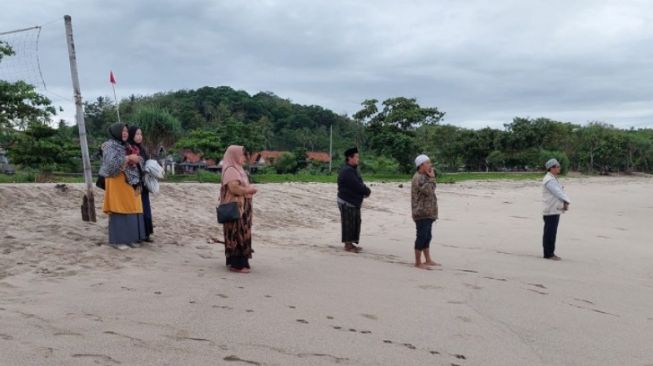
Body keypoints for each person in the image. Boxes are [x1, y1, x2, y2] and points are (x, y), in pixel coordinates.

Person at [99, 123, 147, 250]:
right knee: (119, 209)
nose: (125, 133)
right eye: (122, 131)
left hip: (131, 182)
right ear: (116, 131)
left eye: (126, 131)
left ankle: (130, 238)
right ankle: (118, 241)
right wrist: (127, 158)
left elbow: (136, 160)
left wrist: (137, 159)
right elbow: (110, 165)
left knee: (132, 208)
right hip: (116, 182)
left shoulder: (127, 145)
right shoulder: (109, 145)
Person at [220, 145, 258, 273]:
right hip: (236, 205)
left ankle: (237, 262)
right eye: (242, 155)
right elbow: (233, 188)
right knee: (238, 232)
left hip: (242, 204)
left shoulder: (238, 168)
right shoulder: (231, 169)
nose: (244, 158)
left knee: (241, 231)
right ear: (234, 155)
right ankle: (238, 264)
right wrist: (249, 190)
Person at [337, 147, 371, 253]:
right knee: (348, 223)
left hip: (352, 201)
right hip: (346, 201)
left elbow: (359, 183)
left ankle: (350, 243)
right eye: (356, 157)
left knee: (355, 222)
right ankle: (348, 245)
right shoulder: (347, 171)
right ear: (349, 158)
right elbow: (357, 185)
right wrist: (366, 191)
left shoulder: (351, 170)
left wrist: (365, 191)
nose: (358, 159)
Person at [411, 154, 439, 269]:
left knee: (428, 236)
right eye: (427, 163)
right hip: (421, 212)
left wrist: (431, 178)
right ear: (421, 165)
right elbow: (428, 190)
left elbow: (432, 188)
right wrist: (432, 177)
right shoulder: (419, 177)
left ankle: (427, 259)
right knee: (421, 236)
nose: (430, 165)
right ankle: (418, 262)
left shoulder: (425, 176)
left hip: (428, 212)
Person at [128, 126, 154, 242]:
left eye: (141, 134)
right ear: (132, 135)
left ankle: (146, 234)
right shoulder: (128, 148)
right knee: (137, 209)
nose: (139, 136)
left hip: (144, 184)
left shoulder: (142, 149)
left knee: (145, 208)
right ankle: (138, 234)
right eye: (137, 134)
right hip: (133, 184)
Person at [542, 158, 571, 260]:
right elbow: (558, 192)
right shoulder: (549, 180)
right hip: (551, 210)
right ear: (552, 168)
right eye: (558, 166)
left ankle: (549, 253)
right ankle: (549, 254)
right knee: (550, 233)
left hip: (554, 209)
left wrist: (565, 202)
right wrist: (567, 201)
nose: (559, 168)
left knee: (551, 232)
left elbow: (560, 191)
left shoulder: (552, 178)